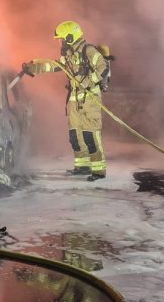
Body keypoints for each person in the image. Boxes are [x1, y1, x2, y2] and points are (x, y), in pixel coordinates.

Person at [22, 20, 109, 181]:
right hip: (75, 101)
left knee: (91, 136)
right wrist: (34, 68)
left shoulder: (88, 51)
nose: (61, 42)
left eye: (62, 39)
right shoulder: (69, 55)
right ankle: (82, 166)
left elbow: (103, 68)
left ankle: (98, 170)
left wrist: (89, 82)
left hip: (90, 100)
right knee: (75, 136)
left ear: (70, 38)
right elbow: (55, 66)